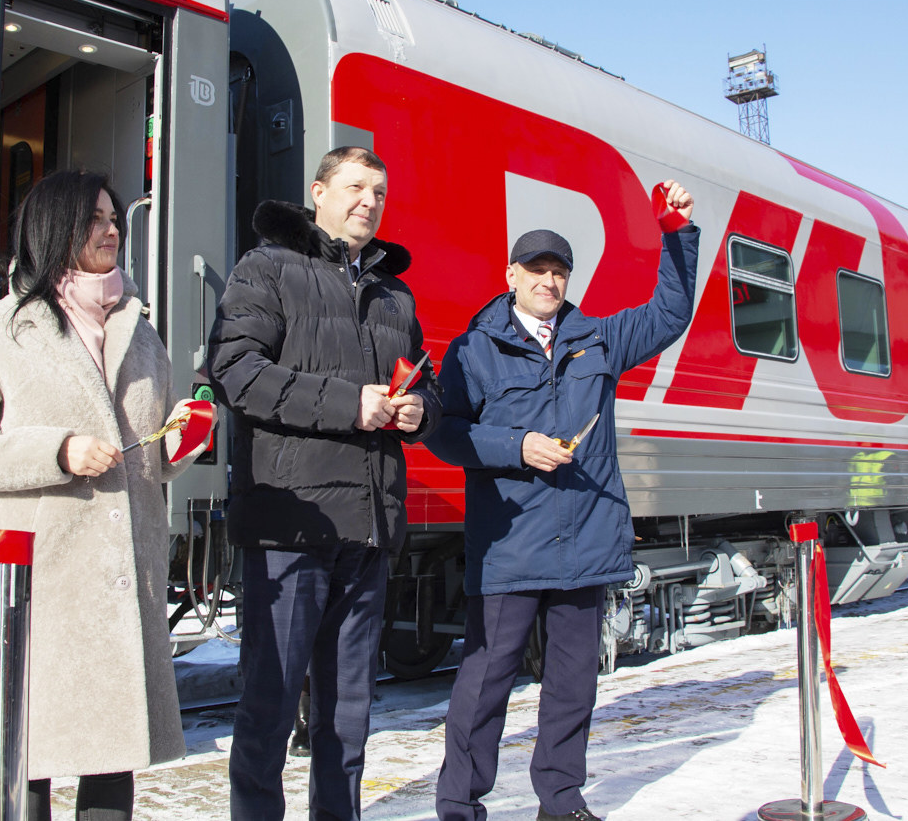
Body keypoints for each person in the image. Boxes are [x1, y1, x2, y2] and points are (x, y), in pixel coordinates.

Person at [0, 169, 214, 821]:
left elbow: (149, 457)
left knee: (112, 765)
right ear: (53, 230)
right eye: (95, 219)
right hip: (37, 582)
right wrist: (57, 450)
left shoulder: (141, 333)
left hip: (121, 583)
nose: (112, 229)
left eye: (115, 218)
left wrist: (185, 438)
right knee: (26, 759)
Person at [428, 181, 700, 821]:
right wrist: (516, 446)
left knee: (574, 685)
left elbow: (670, 313)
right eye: (537, 270)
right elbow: (444, 432)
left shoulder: (598, 339)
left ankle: (562, 800)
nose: (549, 281)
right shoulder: (473, 351)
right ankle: (459, 804)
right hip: (510, 544)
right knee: (485, 683)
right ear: (511, 276)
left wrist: (675, 235)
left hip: (586, 540)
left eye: (559, 272)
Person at [208, 146, 442, 820]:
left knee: (349, 717)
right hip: (293, 525)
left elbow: (428, 386)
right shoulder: (268, 268)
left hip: (366, 531)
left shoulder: (395, 295)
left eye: (379, 193)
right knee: (270, 708)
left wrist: (420, 409)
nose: (369, 201)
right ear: (319, 191)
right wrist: (349, 403)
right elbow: (236, 373)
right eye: (355, 187)